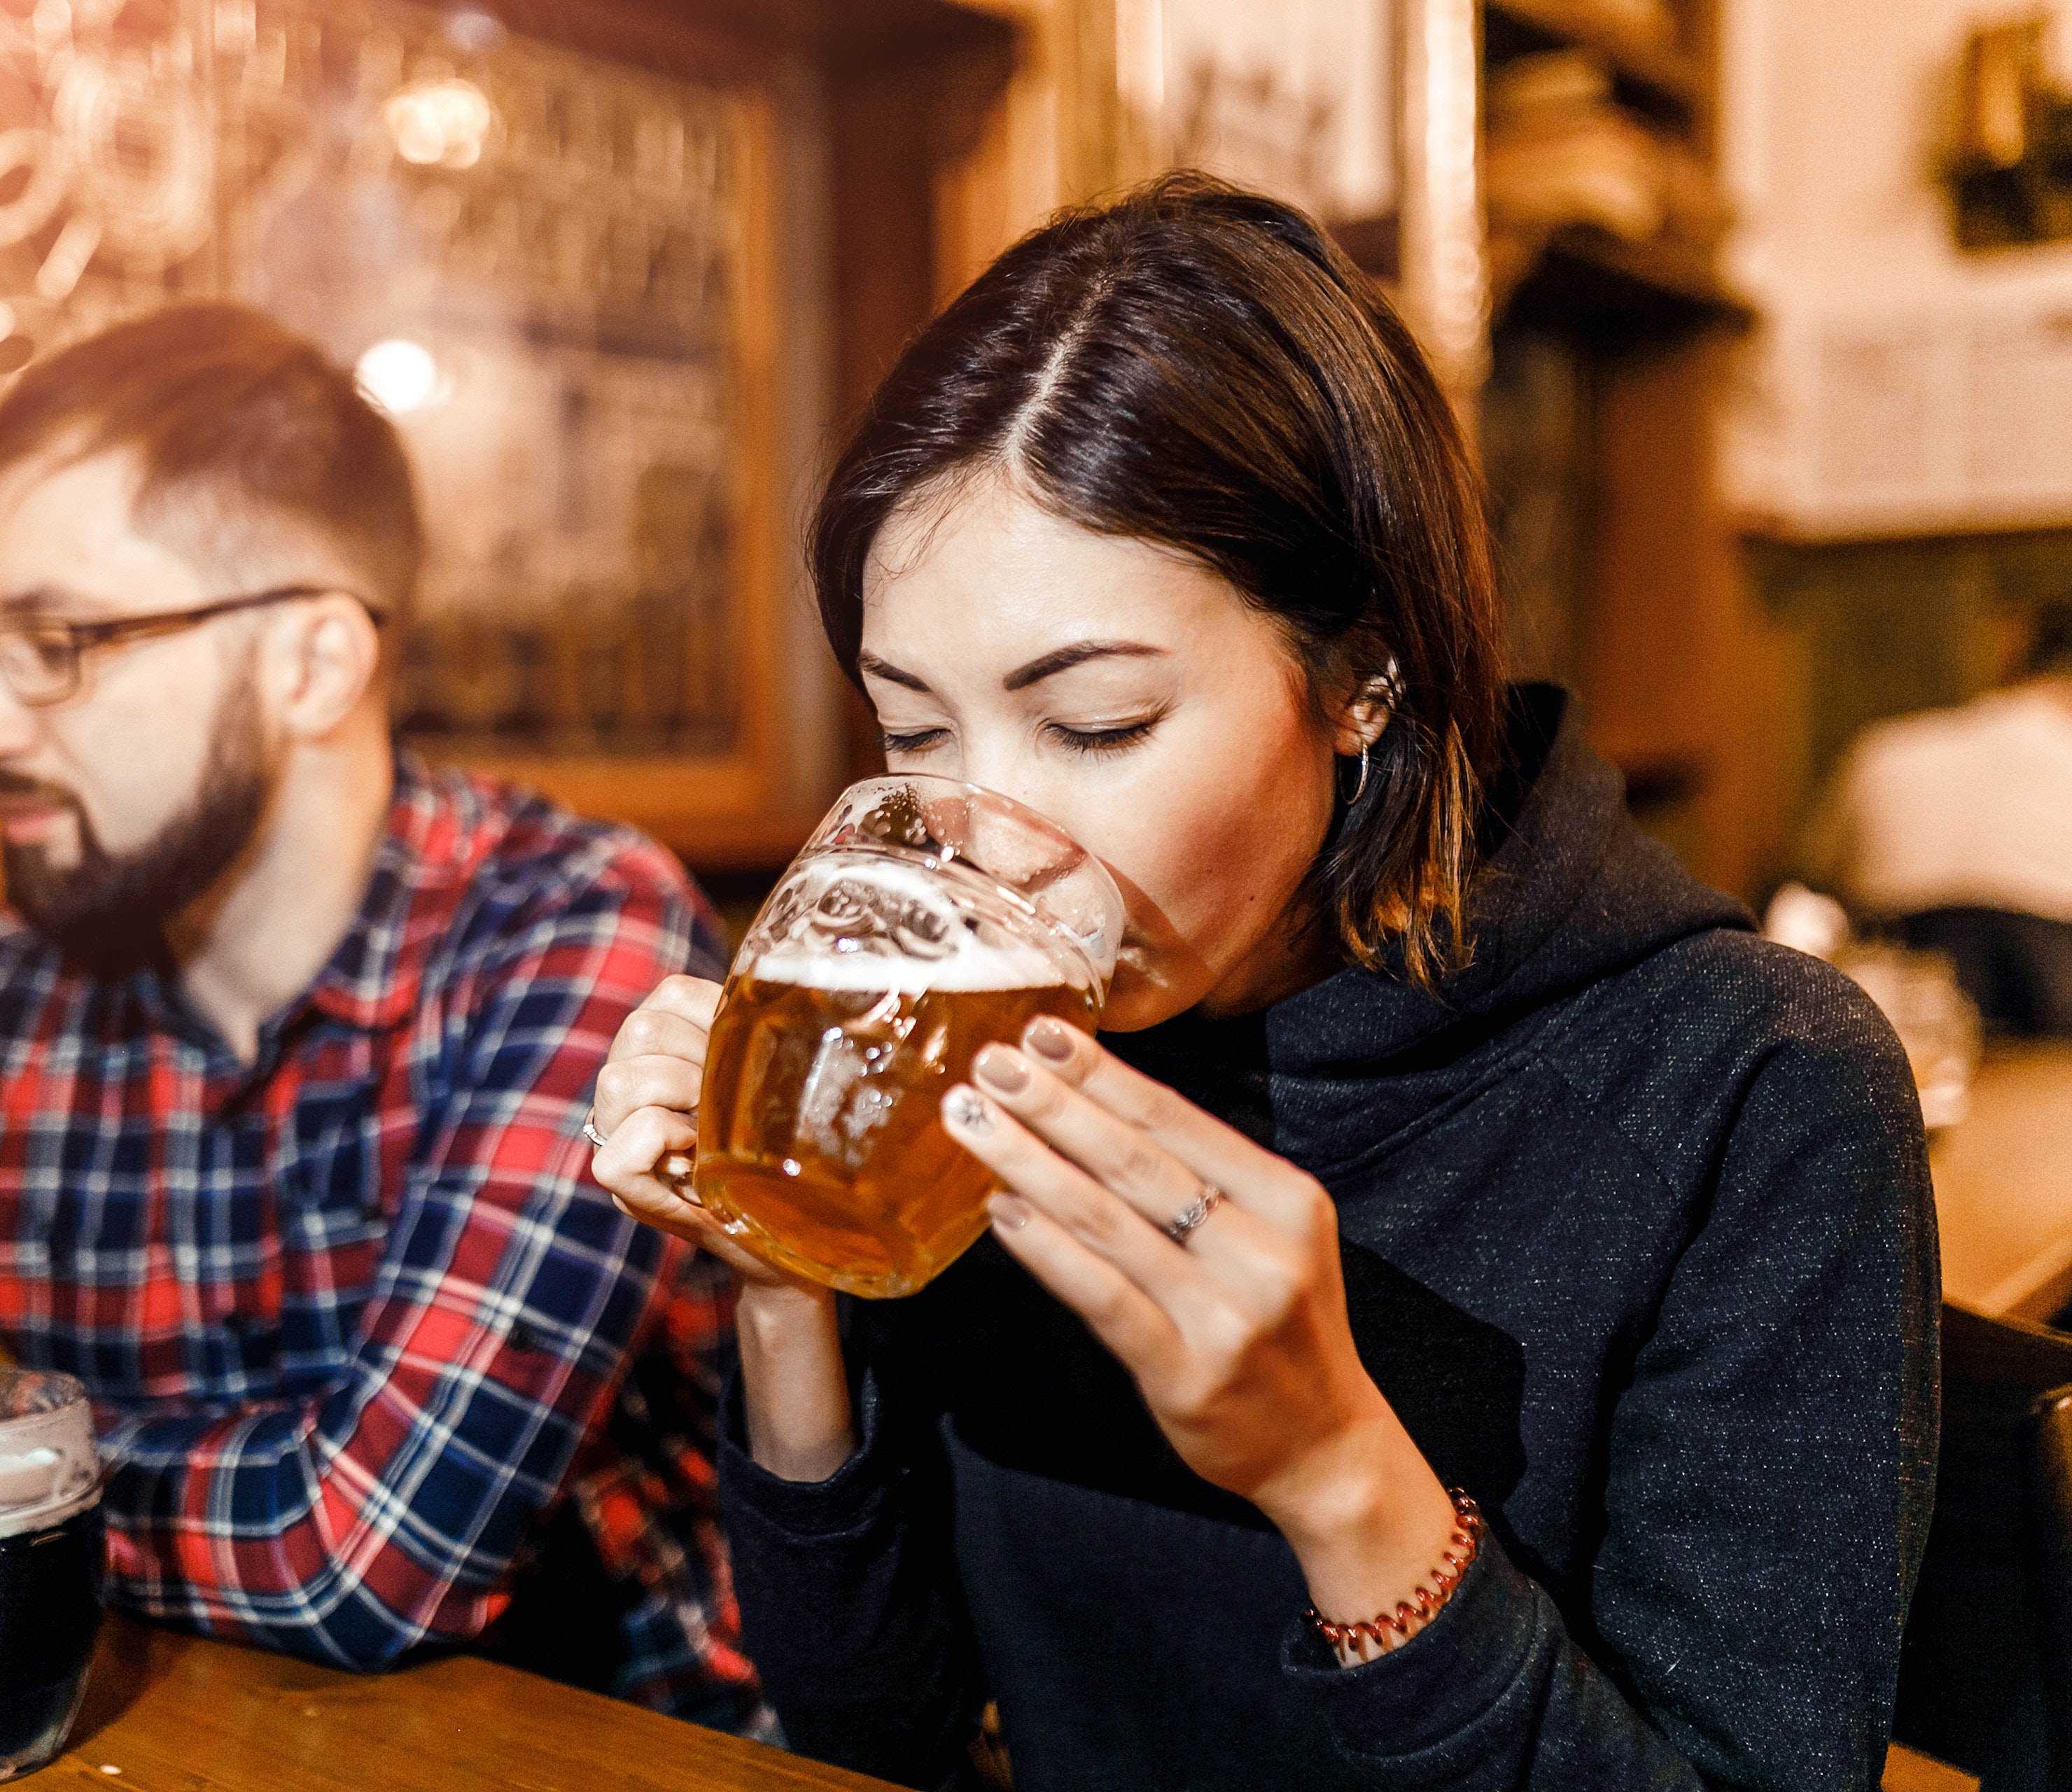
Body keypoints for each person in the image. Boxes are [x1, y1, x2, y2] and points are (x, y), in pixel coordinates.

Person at [589, 175, 1935, 1788]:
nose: (986, 841)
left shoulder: (1749, 1085)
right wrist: (780, 1276)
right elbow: (877, 1726)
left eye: (1093, 724)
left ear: (1360, 672)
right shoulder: (977, 1043)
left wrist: (1329, 1465)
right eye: (913, 731)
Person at [0, 304, 763, 1734]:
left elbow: (369, 1551)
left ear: (311, 663)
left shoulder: (573, 933)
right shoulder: (2, 1006)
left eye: (61, 639)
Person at [1800, 598, 2072, 1037]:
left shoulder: (1884, 750)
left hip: (1898, 1029)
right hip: (2054, 1043)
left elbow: (1813, 889)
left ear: (2009, 646)